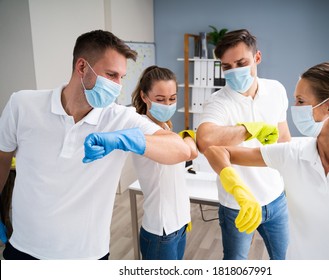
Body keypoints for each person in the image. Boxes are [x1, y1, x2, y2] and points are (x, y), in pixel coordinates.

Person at [0, 30, 192, 260]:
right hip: (24, 249)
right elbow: (2, 159)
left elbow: (180, 150)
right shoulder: (23, 104)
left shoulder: (120, 118)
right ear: (82, 67)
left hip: (88, 256)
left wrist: (126, 138)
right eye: (111, 75)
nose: (118, 85)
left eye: (121, 77)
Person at [204, 62, 329, 260]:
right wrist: (237, 187)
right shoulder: (293, 155)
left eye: (300, 101)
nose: (294, 108)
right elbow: (216, 150)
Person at [196, 29, 291, 260]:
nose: (235, 71)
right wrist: (250, 129)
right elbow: (205, 139)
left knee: (285, 260)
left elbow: (284, 139)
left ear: (257, 58)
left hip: (276, 199)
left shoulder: (276, 90)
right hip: (237, 204)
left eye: (241, 62)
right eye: (227, 67)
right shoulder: (218, 101)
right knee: (235, 265)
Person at [119, 65, 198, 259]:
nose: (168, 105)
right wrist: (189, 136)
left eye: (172, 98)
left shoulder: (163, 126)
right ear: (145, 97)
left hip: (177, 224)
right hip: (161, 231)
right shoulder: (143, 127)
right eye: (160, 99)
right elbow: (190, 151)